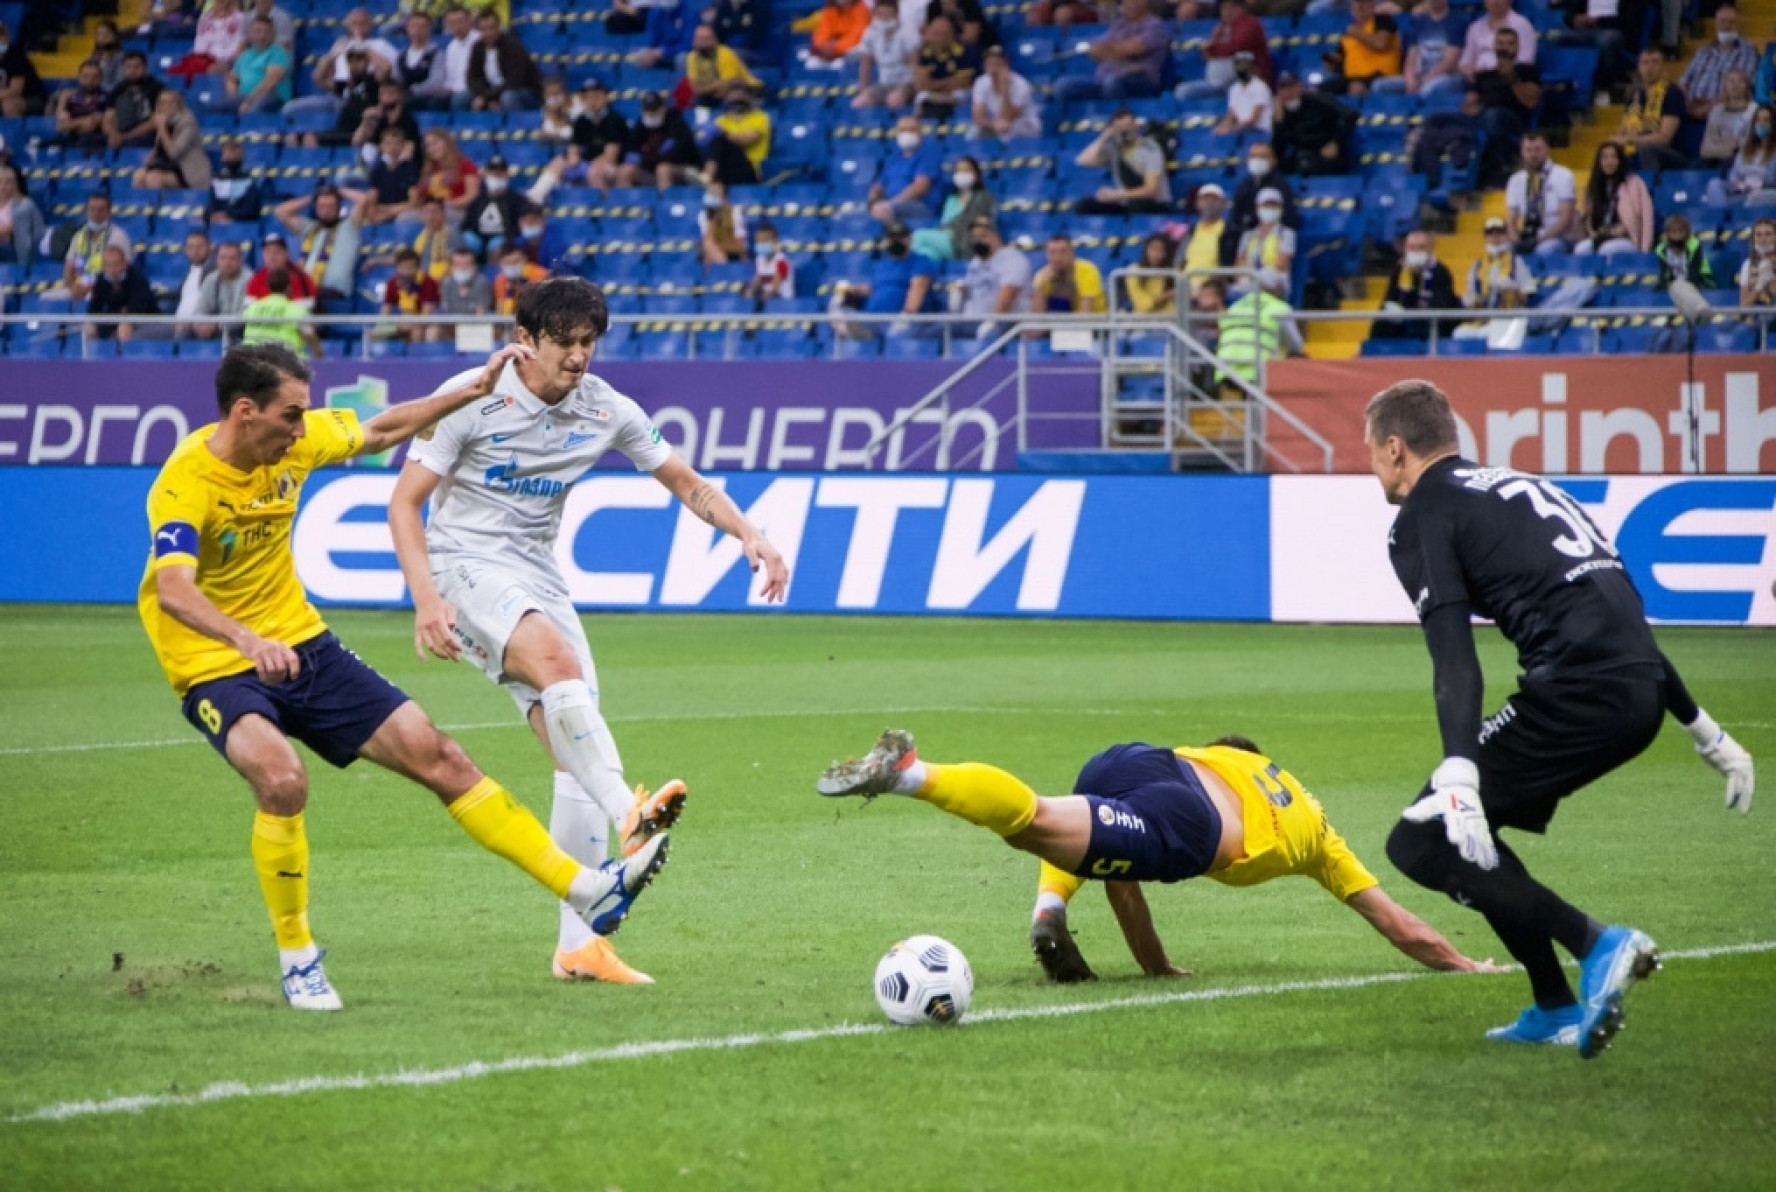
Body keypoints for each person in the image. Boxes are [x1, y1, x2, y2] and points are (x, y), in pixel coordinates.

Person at [139, 342, 672, 1009]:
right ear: (246, 412)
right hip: (214, 661)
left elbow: (381, 429)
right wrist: (247, 641)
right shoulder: (185, 482)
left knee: (441, 756)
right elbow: (174, 591)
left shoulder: (296, 442)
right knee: (281, 778)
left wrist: (470, 392)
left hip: (300, 641)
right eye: (291, 415)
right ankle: (299, 958)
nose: (302, 430)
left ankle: (588, 890)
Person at [388, 279, 787, 984]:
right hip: (460, 565)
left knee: (574, 746)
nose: (578, 356)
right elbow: (405, 503)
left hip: (536, 575)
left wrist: (748, 533)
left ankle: (579, 946)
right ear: (525, 339)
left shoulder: (605, 407)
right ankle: (629, 813)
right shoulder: (471, 395)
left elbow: (687, 483)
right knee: (557, 663)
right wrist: (425, 600)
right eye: (564, 342)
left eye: (588, 342)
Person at [1363, 379, 1754, 1055]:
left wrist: (1460, 769)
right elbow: (1618, 613)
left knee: (1420, 843)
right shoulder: (1525, 486)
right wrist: (1702, 728)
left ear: (1395, 448)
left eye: (1371, 451)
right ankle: (1553, 1005)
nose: (1372, 466)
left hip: (1578, 691)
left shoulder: (1424, 513)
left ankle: (1598, 944)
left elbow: (1454, 656)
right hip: (1636, 690)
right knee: (1470, 836)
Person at [818, 730, 1498, 984]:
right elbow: (1398, 924)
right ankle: (910, 773)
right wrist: (1465, 963)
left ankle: (1049, 907)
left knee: (1056, 831)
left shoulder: (1224, 755)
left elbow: (1123, 881)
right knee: (1043, 824)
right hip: (1191, 822)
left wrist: (1154, 964)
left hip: (1134, 758)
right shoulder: (1322, 837)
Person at [284, 7, 397, 122]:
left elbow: (387, 71)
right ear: (347, 25)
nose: (358, 27)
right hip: (336, 96)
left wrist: (365, 48)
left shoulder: (380, 45)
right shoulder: (341, 45)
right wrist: (332, 55)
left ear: (370, 25)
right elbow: (318, 77)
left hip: (366, 98)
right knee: (290, 109)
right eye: (354, 23)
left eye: (362, 23)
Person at [831, 221, 940, 336]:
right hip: (872, 319)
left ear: (909, 239)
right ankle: (860, 331)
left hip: (901, 323)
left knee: (898, 333)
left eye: (900, 237)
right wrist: (851, 290)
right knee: (840, 305)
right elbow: (873, 288)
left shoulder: (920, 262)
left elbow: (919, 286)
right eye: (892, 238)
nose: (896, 241)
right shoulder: (882, 265)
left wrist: (907, 315)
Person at [1054, 0, 1168, 104]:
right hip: (1103, 80)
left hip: (1139, 81)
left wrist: (1108, 50)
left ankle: (1118, 114)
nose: (1128, 3)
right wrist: (1105, 50)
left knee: (1112, 82)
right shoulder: (1120, 24)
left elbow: (1132, 48)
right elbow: (1095, 50)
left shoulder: (1155, 26)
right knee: (1063, 87)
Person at [274, 185, 364, 309]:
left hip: (332, 292)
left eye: (331, 206)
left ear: (339, 208)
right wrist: (313, 197)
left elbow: (362, 200)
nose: (326, 211)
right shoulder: (309, 227)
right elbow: (280, 211)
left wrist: (338, 190)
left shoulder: (349, 227)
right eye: (322, 206)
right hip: (305, 289)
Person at [1472, 27, 1541, 188]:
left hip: (1514, 120)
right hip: (1483, 117)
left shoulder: (1527, 71)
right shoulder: (1484, 75)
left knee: (1493, 116)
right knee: (1439, 118)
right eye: (1500, 43)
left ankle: (1502, 168)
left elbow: (1531, 102)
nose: (1504, 47)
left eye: (1509, 44)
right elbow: (1473, 102)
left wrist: (1512, 78)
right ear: (1494, 46)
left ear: (1517, 47)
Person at [1074, 108, 1171, 215]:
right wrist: (1105, 136)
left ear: (1135, 126)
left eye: (1128, 125)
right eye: (1120, 127)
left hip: (1153, 203)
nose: (1125, 130)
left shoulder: (1150, 148)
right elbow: (1083, 160)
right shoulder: (1114, 148)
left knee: (1138, 205)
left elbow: (1152, 190)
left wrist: (1117, 195)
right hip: (1125, 202)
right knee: (1085, 206)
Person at [1372, 228, 1456, 341]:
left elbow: (1440, 307)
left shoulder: (1440, 272)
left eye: (1421, 247)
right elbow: (1389, 300)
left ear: (1430, 248)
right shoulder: (1399, 271)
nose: (1416, 252)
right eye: (1411, 247)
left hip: (1430, 326)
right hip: (1402, 325)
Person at [1456, 216, 1536, 335]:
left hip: (1507, 318)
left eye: (1499, 234)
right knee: (1460, 333)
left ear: (1506, 237)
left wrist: (1513, 289)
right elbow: (1470, 298)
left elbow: (1527, 298)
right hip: (1482, 319)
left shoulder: (1516, 262)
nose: (1495, 238)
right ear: (1486, 238)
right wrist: (1469, 300)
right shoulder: (1477, 266)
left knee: (1486, 334)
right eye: (1491, 235)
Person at [1679, 5, 1757, 123]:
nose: (1726, 26)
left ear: (1740, 25)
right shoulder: (1703, 51)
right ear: (1715, 24)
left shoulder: (1748, 51)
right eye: (1722, 21)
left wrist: (1709, 108)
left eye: (1732, 22)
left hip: (1725, 113)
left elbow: (1743, 86)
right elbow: (1683, 82)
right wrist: (1689, 106)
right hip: (1691, 109)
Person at [1618, 47, 1687, 179]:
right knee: (1609, 152)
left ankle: (1650, 187)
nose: (1649, 67)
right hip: (1639, 149)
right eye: (1645, 62)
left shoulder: (1672, 93)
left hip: (1670, 153)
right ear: (1639, 67)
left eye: (1655, 62)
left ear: (1663, 66)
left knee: (1646, 149)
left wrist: (1630, 139)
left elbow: (1665, 138)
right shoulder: (1634, 95)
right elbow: (1622, 131)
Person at [1505, 132, 1578, 257]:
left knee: (1543, 250)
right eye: (1528, 150)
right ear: (1522, 152)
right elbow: (1510, 220)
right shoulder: (1515, 180)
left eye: (1537, 149)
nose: (1533, 154)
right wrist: (1517, 241)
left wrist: (1538, 241)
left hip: (1556, 237)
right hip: (1527, 234)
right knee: (1503, 250)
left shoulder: (1563, 175)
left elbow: (1566, 219)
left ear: (1547, 150)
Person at [1575, 140, 1653, 255]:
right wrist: (1593, 234)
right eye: (1605, 157)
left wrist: (1644, 250)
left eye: (1614, 157)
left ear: (1620, 160)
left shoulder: (1634, 183)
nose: (1609, 161)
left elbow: (1646, 217)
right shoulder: (1592, 187)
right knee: (1581, 250)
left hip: (1626, 238)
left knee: (1606, 249)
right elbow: (1588, 218)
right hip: (1600, 236)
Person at [1272, 73, 1357, 176]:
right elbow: (1279, 148)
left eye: (1292, 87)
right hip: (1303, 154)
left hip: (1327, 152)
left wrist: (1335, 142)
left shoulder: (1318, 99)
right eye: (1284, 88)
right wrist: (1278, 123)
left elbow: (1350, 116)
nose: (1289, 92)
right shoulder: (1282, 113)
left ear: (1300, 86)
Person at [912, 155, 995, 261]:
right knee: (926, 253)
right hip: (947, 239)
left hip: (965, 242)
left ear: (977, 175)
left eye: (966, 170)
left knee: (918, 236)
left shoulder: (983, 197)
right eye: (958, 171)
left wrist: (945, 229)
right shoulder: (951, 199)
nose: (962, 174)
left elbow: (972, 221)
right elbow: (945, 223)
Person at [958, 218, 1031, 338]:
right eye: (975, 238)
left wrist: (991, 322)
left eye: (983, 236)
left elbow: (1008, 293)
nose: (979, 241)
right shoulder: (975, 263)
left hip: (1004, 322)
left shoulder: (1012, 259)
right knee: (934, 331)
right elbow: (968, 292)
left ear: (996, 236)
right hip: (972, 321)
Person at [459, 154, 537, 262]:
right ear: (487, 174)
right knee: (465, 239)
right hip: (479, 238)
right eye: (493, 174)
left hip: (503, 238)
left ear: (507, 174)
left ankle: (494, 271)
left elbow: (522, 224)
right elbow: (467, 224)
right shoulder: (478, 199)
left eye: (500, 174)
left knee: (497, 245)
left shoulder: (517, 200)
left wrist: (509, 238)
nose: (496, 177)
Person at [60, 191, 133, 303]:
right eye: (92, 209)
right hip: (79, 287)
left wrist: (89, 288)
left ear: (109, 212)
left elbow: (120, 271)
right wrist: (72, 287)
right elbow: (69, 268)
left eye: (101, 210)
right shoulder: (79, 236)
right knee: (47, 297)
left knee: (91, 299)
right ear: (86, 211)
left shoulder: (118, 236)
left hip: (107, 289)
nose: (96, 213)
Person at [618, 91, 701, 189]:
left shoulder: (676, 122)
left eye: (654, 110)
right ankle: (624, 198)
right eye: (648, 110)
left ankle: (666, 198)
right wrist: (638, 158)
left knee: (663, 169)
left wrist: (652, 157)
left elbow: (681, 150)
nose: (651, 114)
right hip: (651, 169)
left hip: (679, 168)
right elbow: (632, 146)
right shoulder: (641, 124)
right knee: (626, 171)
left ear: (663, 108)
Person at [870, 115, 944, 223]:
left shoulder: (928, 153)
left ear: (920, 132)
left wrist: (891, 204)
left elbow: (920, 186)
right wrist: (872, 201)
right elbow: (879, 184)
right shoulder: (894, 158)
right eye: (902, 130)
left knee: (885, 211)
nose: (907, 134)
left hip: (921, 205)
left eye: (911, 130)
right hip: (890, 204)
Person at [133, 89, 212, 191]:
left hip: (188, 172)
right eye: (161, 103)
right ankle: (144, 201)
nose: (163, 106)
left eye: (168, 103)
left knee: (154, 178)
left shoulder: (187, 123)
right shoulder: (166, 121)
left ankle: (157, 201)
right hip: (167, 167)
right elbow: (161, 149)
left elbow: (174, 153)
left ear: (178, 106)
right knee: (138, 176)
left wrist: (162, 128)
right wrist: (153, 156)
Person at [465, 8, 540, 112]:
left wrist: (488, 97)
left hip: (523, 92)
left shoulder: (513, 46)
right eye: (483, 29)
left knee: (508, 97)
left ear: (498, 27)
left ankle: (515, 122)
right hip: (491, 92)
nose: (488, 33)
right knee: (462, 98)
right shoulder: (477, 48)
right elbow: (472, 78)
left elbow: (514, 81)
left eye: (491, 28)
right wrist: (486, 97)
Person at [1328, 0, 1401, 98]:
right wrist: (1330, 60)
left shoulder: (1383, 21)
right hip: (1350, 78)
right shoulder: (1349, 30)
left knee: (1356, 88)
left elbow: (1380, 44)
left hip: (1379, 75)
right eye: (1356, 4)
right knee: (1314, 91)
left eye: (1363, 4)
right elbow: (1338, 59)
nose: (1359, 7)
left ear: (1372, 5)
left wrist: (1357, 33)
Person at [910, 14, 979, 118]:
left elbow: (964, 82)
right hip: (934, 94)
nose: (939, 38)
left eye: (944, 34)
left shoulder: (963, 51)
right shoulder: (925, 52)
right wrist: (946, 84)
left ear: (952, 34)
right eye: (936, 34)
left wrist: (933, 84)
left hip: (957, 94)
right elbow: (920, 85)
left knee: (960, 95)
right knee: (921, 97)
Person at [241, 267, 320, 357]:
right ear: (289, 288)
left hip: (251, 359)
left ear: (268, 287)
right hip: (285, 360)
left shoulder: (252, 308)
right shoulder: (297, 311)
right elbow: (309, 334)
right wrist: (318, 351)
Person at [855, 2, 921, 109]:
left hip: (905, 83)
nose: (884, 19)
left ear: (896, 15)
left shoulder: (908, 33)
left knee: (893, 100)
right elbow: (865, 64)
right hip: (884, 84)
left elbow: (915, 64)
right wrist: (864, 90)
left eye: (888, 15)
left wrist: (915, 89)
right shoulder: (870, 33)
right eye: (881, 15)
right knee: (859, 102)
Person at [1706, 106, 1776, 207]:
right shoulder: (1745, 149)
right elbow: (1734, 174)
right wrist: (1738, 182)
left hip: (1766, 193)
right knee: (1714, 184)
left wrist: (1761, 184)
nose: (1761, 123)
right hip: (1743, 191)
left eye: (1766, 120)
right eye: (1758, 120)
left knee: (1756, 197)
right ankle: (1721, 214)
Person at [702, 84, 771, 187]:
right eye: (734, 97)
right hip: (725, 168)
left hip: (749, 167)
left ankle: (706, 178)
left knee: (719, 141)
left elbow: (748, 140)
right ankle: (705, 179)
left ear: (749, 98)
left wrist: (723, 133)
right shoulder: (722, 120)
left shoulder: (760, 118)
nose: (737, 101)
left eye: (741, 97)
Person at [87, 245, 158, 342]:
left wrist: (123, 319)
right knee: (90, 329)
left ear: (124, 264)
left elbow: (136, 308)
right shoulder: (101, 281)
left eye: (116, 264)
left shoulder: (137, 278)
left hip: (146, 320)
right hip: (116, 319)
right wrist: (92, 324)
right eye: (108, 265)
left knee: (124, 330)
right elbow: (94, 309)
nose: (112, 269)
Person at [1402, 0, 1470, 98]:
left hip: (1448, 76)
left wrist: (1424, 80)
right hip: (1419, 76)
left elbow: (1450, 62)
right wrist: (1410, 79)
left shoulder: (1457, 21)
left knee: (1427, 90)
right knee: (1381, 86)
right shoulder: (1419, 22)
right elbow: (1411, 58)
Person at [970, 45, 1040, 140]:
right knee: (973, 133)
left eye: (997, 64)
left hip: (1024, 125)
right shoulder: (981, 82)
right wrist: (992, 125)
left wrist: (1005, 89)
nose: (993, 69)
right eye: (989, 64)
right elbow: (977, 116)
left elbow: (1009, 116)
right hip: (997, 124)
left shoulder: (1020, 84)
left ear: (1005, 66)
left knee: (1006, 130)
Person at [412, 128, 481, 222]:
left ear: (447, 142)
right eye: (428, 146)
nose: (432, 148)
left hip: (455, 210)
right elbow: (421, 196)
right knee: (404, 218)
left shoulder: (465, 164)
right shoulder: (428, 170)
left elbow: (472, 194)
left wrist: (449, 204)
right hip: (429, 210)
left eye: (435, 143)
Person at [1234, 188, 1295, 295]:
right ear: (1257, 208)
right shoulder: (1247, 236)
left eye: (1274, 206)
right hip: (1249, 279)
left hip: (1274, 282)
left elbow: (1282, 264)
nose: (1270, 208)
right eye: (1266, 205)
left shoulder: (1287, 234)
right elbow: (1239, 261)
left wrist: (1257, 276)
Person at [1202, 0, 1272, 91]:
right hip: (1221, 83)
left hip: (1248, 81)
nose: (1226, 12)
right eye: (1223, 8)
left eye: (1229, 7)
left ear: (1240, 8)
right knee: (1186, 91)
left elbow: (1237, 46)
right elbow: (1207, 54)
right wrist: (1214, 39)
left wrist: (1213, 49)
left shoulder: (1250, 24)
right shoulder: (1222, 28)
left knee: (1186, 92)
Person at [1229, 141, 1298, 234]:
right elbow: (1236, 214)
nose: (1257, 160)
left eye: (1263, 157)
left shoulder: (1280, 185)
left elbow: (1288, 217)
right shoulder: (1245, 185)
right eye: (1253, 156)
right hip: (1246, 235)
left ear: (1273, 161)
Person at [227, 14, 292, 113]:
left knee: (253, 110)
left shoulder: (278, 53)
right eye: (258, 32)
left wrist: (249, 102)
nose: (262, 36)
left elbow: (270, 82)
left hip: (272, 97)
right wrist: (234, 95)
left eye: (267, 32)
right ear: (250, 34)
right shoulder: (245, 55)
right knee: (214, 109)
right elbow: (232, 79)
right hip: (244, 97)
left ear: (273, 34)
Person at [685, 24, 760, 109]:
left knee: (732, 97)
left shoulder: (724, 54)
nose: (703, 42)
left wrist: (706, 88)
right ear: (694, 41)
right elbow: (695, 88)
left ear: (714, 40)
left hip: (749, 89)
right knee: (699, 102)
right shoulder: (691, 57)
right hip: (712, 94)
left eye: (707, 38)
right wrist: (713, 87)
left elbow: (727, 85)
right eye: (700, 39)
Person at [1457, 0, 1536, 78]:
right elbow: (1466, 61)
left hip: (1507, 78)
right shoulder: (1475, 27)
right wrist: (1470, 72)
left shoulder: (1522, 25)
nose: (1495, 2)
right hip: (1477, 77)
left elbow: (1525, 62)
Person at [1031, 232, 1106, 314]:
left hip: (1095, 320)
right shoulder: (1042, 275)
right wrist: (1040, 289)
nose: (1057, 258)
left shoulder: (1087, 270)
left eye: (1063, 252)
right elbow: (1037, 316)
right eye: (1052, 252)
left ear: (1072, 253)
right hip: (1060, 319)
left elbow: (1085, 314)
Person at [105, 51, 166, 150]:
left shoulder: (157, 89)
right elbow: (108, 117)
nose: (132, 71)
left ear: (145, 69)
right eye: (128, 67)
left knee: (136, 143)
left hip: (147, 134)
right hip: (121, 132)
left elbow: (156, 120)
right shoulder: (118, 89)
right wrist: (113, 135)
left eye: (137, 67)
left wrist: (126, 136)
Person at [1181, 183, 1235, 291]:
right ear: (1197, 203)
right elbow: (1179, 260)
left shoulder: (1231, 233)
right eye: (1205, 199)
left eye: (1214, 200)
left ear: (1223, 204)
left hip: (1213, 286)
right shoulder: (1190, 231)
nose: (1210, 203)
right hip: (1186, 284)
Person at [381, 247, 441, 341]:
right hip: (403, 322)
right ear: (397, 268)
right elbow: (385, 310)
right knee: (372, 334)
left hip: (427, 323)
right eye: (402, 268)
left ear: (417, 268)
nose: (406, 272)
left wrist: (404, 325)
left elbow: (426, 316)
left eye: (409, 268)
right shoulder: (392, 283)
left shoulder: (428, 282)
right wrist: (384, 327)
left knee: (417, 331)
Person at [192, 240, 248, 339]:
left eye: (232, 258)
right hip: (213, 330)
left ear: (240, 261)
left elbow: (246, 315)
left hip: (240, 332)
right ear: (217, 260)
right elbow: (200, 310)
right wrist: (199, 324)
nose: (227, 263)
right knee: (184, 332)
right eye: (223, 258)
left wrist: (217, 325)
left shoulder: (251, 281)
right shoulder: (210, 279)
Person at [52, 60, 112, 152]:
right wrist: (85, 121)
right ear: (79, 77)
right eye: (86, 76)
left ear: (101, 78)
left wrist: (72, 124)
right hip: (71, 137)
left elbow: (98, 124)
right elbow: (61, 126)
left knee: (84, 141)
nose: (90, 81)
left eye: (95, 77)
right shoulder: (68, 96)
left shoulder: (108, 97)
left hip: (96, 138)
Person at [207, 136, 268, 226]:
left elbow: (251, 209)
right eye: (225, 153)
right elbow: (210, 207)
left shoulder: (250, 181)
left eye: (232, 152)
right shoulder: (216, 181)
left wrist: (230, 216)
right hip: (218, 226)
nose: (228, 156)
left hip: (242, 226)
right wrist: (214, 216)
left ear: (241, 155)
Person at [245, 232, 319, 305]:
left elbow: (306, 309)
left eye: (277, 252)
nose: (272, 257)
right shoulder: (256, 279)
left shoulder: (301, 278)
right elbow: (249, 307)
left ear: (286, 254)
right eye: (267, 252)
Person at [396, 9, 450, 108]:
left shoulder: (438, 54)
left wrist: (413, 90)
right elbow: (396, 79)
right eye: (414, 26)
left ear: (429, 29)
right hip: (404, 97)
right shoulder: (401, 56)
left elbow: (436, 82)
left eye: (422, 26)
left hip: (425, 97)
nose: (417, 30)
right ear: (407, 29)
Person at [1700, 69, 1755, 165]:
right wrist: (1731, 148)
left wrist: (1724, 146)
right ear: (1725, 85)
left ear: (1747, 86)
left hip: (1744, 159)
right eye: (1731, 80)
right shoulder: (1716, 111)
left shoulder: (1755, 111)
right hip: (1715, 157)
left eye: (1740, 81)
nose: (1735, 84)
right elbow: (1705, 149)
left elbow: (1752, 145)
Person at [1214, 51, 1272, 136]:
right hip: (1242, 130)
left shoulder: (1260, 87)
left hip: (1259, 131)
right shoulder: (1234, 89)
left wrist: (1232, 129)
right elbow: (1231, 114)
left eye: (1244, 66)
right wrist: (1223, 127)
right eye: (1238, 65)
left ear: (1252, 67)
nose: (1241, 69)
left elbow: (1254, 119)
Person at [0, 18, 47, 117]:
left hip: (30, 98)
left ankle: (12, 128)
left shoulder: (16, 56)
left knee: (9, 105)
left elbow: (15, 91)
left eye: (1, 35)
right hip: (2, 97)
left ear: (7, 37)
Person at [0, 163, 43, 268]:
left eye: (8, 182)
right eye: (0, 182)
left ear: (15, 185)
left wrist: (5, 230)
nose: (3, 186)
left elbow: (11, 229)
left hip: (15, 250)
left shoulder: (24, 205)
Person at [438, 247, 493, 329]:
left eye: (467, 264)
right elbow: (445, 308)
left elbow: (481, 311)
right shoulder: (447, 282)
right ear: (451, 266)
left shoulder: (481, 282)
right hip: (451, 324)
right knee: (434, 330)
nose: (462, 268)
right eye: (458, 264)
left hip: (474, 323)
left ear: (474, 266)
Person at [1654, 212, 1714, 288]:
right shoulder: (1661, 249)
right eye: (1674, 232)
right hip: (1675, 281)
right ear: (1667, 233)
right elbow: (1664, 272)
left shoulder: (1694, 245)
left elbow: (1695, 270)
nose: (1677, 236)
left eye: (1680, 232)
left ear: (1687, 232)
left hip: (1700, 278)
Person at [1122, 232, 1177, 313]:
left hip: (1171, 316)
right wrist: (1167, 295)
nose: (1156, 254)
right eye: (1153, 249)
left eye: (1161, 250)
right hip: (1144, 318)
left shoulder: (1173, 271)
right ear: (1146, 250)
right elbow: (1144, 306)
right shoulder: (1134, 270)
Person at [697, 178, 749, 264]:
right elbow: (708, 237)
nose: (712, 196)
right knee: (708, 245)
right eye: (710, 193)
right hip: (714, 249)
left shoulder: (735, 213)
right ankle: (722, 267)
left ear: (724, 197)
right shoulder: (703, 215)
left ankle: (724, 268)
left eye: (715, 194)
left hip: (733, 248)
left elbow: (741, 244)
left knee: (709, 244)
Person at [745, 220, 795, 302]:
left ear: (775, 242)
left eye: (765, 241)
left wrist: (763, 297)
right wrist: (750, 290)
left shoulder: (781, 262)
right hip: (766, 297)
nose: (761, 244)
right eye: (758, 241)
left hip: (781, 299)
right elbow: (758, 279)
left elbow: (775, 287)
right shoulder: (759, 259)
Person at [807, 0, 870, 65]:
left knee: (856, 51)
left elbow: (857, 36)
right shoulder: (830, 9)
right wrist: (822, 46)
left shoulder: (861, 10)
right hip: (829, 49)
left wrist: (836, 48)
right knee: (811, 63)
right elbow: (822, 31)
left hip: (850, 50)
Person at [492, 242, 547, 315]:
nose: (512, 265)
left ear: (525, 259)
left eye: (516, 261)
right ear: (501, 264)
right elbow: (500, 312)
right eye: (508, 262)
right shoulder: (501, 280)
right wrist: (509, 293)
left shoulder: (539, 275)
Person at [1738, 216, 1776, 307]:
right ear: (1753, 238)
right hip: (1759, 313)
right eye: (1758, 235)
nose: (1763, 239)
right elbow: (1744, 304)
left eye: (1768, 234)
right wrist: (1760, 285)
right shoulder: (1749, 264)